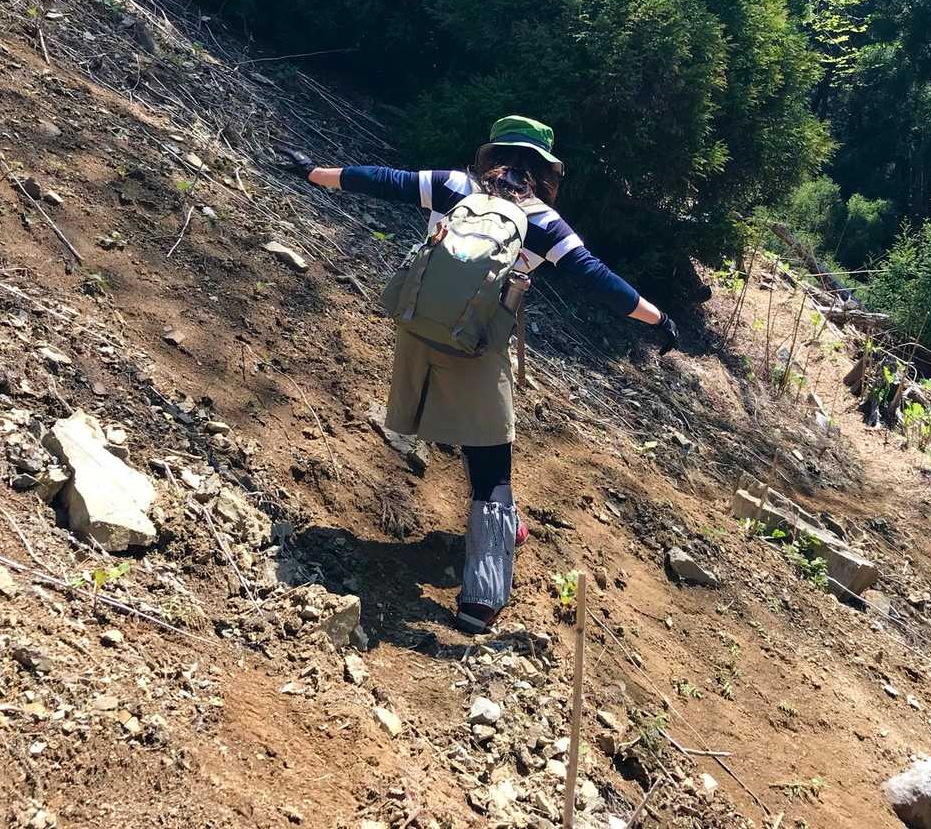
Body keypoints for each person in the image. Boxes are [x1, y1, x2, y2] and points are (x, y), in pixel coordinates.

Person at [284, 115, 678, 633]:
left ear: (492, 154)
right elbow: (596, 277)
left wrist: (314, 172)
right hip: (477, 348)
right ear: (545, 171)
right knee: (492, 463)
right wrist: (657, 318)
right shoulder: (544, 222)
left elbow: (382, 179)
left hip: (417, 331)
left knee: (468, 435)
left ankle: (502, 529)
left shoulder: (452, 185)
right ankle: (481, 599)